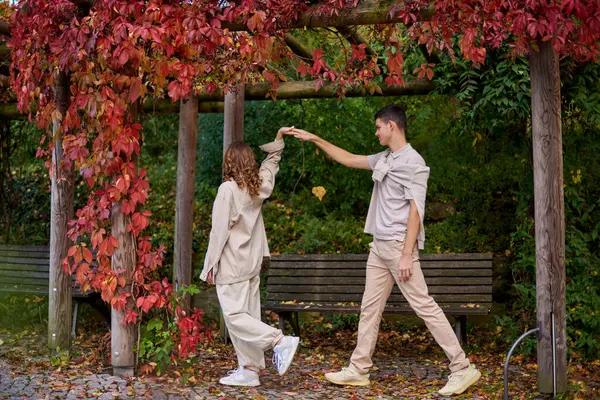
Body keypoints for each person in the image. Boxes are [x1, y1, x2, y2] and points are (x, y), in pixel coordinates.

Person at [285, 105, 481, 396]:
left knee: (424, 307)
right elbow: (349, 159)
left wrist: (406, 253)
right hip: (379, 247)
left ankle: (462, 367)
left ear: (392, 126)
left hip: (398, 248)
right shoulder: (384, 158)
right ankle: (359, 369)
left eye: (378, 127)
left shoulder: (414, 163)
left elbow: (417, 211)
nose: (376, 132)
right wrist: (315, 138)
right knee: (370, 308)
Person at [200, 127, 299, 387]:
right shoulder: (258, 188)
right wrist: (277, 142)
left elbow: (218, 232)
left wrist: (209, 265)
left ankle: (279, 340)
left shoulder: (228, 190)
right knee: (249, 316)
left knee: (234, 317)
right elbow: (269, 169)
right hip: (252, 264)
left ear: (229, 162)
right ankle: (249, 370)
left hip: (233, 264)